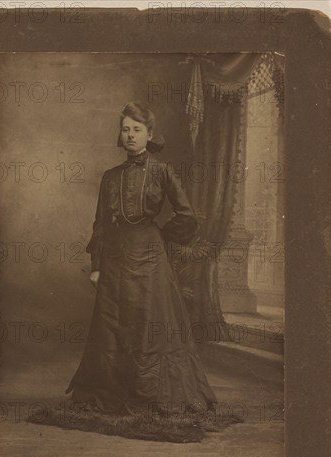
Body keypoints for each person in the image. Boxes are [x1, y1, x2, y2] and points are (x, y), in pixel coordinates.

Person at [64, 102, 218, 423]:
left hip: (150, 259)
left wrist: (161, 235)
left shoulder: (162, 171)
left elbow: (187, 216)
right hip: (115, 261)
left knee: (150, 324)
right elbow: (101, 225)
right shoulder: (110, 178)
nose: (131, 135)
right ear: (120, 136)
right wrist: (96, 265)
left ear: (149, 135)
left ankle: (152, 396)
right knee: (113, 326)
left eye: (137, 130)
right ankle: (115, 395)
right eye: (126, 129)